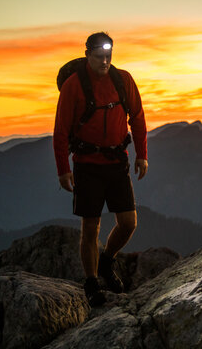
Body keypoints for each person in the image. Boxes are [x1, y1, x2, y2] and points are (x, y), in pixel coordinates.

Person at [53, 32, 148, 306]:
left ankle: (107, 261)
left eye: (108, 56)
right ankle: (92, 282)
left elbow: (138, 118)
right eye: (99, 57)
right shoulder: (74, 86)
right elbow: (60, 131)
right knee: (90, 227)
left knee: (128, 223)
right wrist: (63, 169)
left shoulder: (123, 80)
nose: (105, 62)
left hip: (118, 162)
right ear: (87, 55)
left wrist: (142, 155)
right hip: (87, 165)